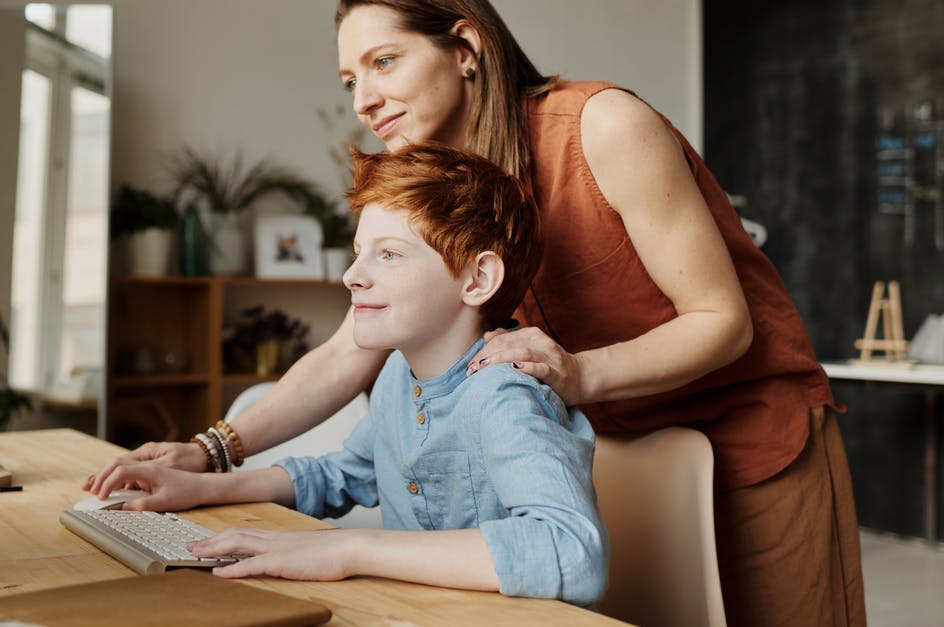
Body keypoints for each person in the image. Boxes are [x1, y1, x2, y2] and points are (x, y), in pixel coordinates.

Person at [88, 2, 865, 625]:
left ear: (465, 46)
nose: (364, 98)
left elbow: (722, 319)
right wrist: (210, 450)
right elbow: (347, 350)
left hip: (753, 436)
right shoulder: (431, 180)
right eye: (349, 78)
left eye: (384, 61)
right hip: (612, 444)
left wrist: (577, 372)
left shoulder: (602, 126)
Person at [88, 143, 609, 603]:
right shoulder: (396, 379)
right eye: (360, 252)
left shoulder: (505, 394)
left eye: (388, 254)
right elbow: (346, 475)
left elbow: (571, 551)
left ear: (477, 279)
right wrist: (200, 486)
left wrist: (348, 549)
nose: (352, 275)